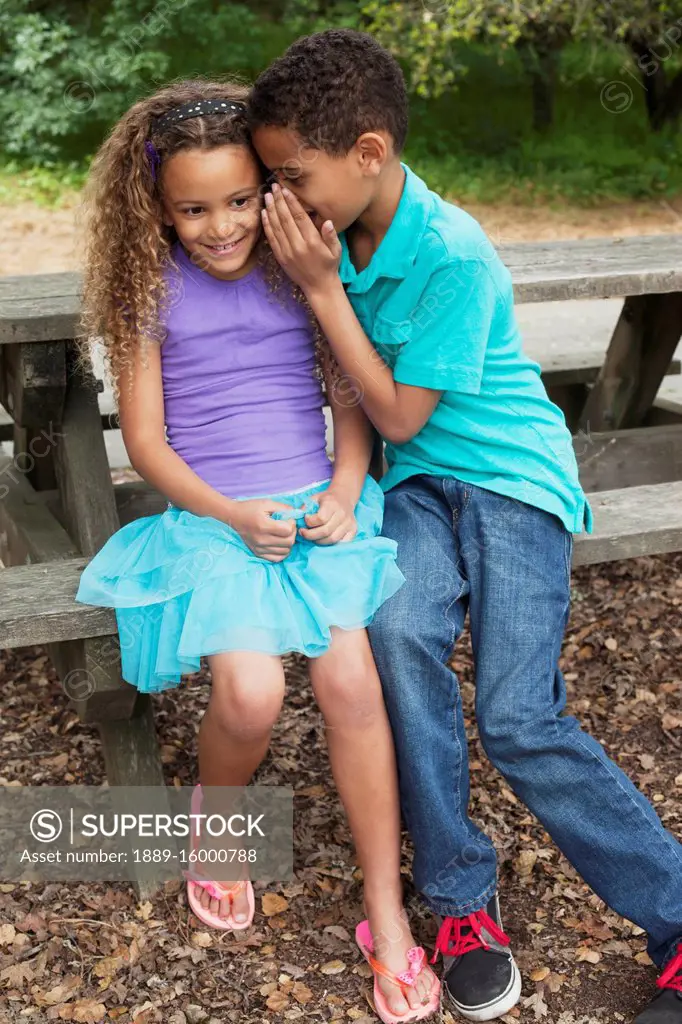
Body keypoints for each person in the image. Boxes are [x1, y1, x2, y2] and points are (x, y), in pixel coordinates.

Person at [248, 29, 682, 1024]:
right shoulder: (328, 234)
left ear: (367, 152)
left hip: (509, 479)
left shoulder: (449, 252)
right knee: (399, 637)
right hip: (415, 486)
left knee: (518, 715)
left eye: (291, 176)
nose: (281, 202)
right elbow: (357, 408)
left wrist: (320, 291)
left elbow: (400, 409)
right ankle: (456, 903)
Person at [75, 79, 441, 1024]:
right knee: (250, 691)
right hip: (212, 517)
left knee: (355, 688)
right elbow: (148, 447)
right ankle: (218, 821)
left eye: (240, 200)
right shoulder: (145, 289)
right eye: (193, 209)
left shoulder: (296, 265)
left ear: (269, 190)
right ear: (154, 209)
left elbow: (351, 397)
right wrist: (232, 515)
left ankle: (386, 912)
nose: (222, 226)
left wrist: (348, 490)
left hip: (317, 507)